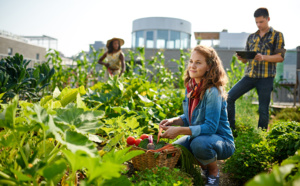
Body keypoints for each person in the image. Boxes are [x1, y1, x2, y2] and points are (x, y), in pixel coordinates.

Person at [159, 45, 235, 186]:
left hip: (221, 141)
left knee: (198, 144)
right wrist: (173, 121)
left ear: (209, 66)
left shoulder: (213, 91)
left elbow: (210, 127)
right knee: (172, 152)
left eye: (198, 62)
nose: (192, 66)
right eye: (191, 61)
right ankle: (203, 167)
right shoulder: (192, 87)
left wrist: (179, 131)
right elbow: (190, 118)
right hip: (199, 137)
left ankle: (212, 173)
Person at [227, 7, 286, 130]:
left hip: (266, 78)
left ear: (268, 19)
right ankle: (230, 130)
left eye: (261, 22)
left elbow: (280, 57)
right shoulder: (251, 37)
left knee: (263, 109)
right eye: (256, 22)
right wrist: (242, 58)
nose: (259, 25)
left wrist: (263, 57)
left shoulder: (277, 35)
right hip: (250, 76)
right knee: (229, 97)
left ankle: (261, 135)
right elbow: (246, 60)